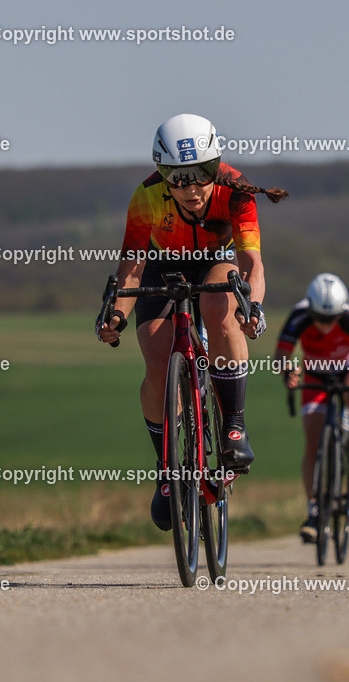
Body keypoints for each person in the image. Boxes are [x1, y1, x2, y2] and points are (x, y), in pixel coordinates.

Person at [96, 113, 287, 531]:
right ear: (163, 175)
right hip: (161, 269)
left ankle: (234, 426)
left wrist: (252, 307)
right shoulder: (146, 196)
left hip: (215, 262)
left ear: (215, 166)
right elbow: (131, 266)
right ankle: (167, 467)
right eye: (177, 178)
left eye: (201, 174)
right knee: (157, 357)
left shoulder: (235, 189)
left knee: (221, 312)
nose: (191, 187)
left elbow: (252, 262)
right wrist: (115, 316)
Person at [274, 273, 349, 543]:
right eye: (319, 318)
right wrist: (287, 371)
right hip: (315, 373)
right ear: (310, 309)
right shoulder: (299, 315)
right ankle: (313, 509)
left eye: (331, 318)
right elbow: (281, 354)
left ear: (341, 311)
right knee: (312, 439)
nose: (325, 324)